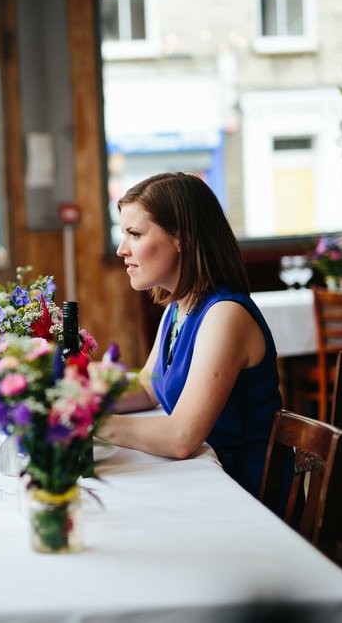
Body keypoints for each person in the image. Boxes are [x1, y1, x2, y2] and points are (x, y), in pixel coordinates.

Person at [98, 171, 287, 503]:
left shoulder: (225, 315)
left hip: (246, 497)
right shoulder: (177, 310)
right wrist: (74, 394)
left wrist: (85, 422)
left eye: (135, 234)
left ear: (180, 238)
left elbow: (182, 437)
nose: (121, 249)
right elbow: (147, 386)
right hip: (203, 482)